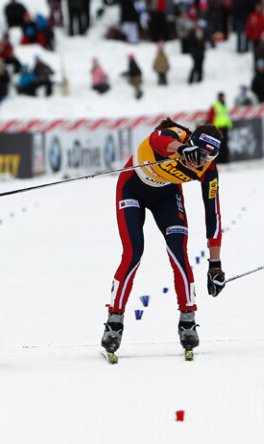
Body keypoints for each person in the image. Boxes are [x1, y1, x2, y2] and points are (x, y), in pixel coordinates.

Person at [101, 118, 225, 358]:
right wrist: (181, 149)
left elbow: (213, 215)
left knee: (178, 251)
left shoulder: (208, 170)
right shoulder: (175, 135)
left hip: (166, 195)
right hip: (132, 189)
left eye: (210, 157)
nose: (203, 162)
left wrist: (215, 265)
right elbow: (157, 139)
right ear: (191, 144)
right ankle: (114, 321)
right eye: (200, 155)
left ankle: (188, 321)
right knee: (133, 253)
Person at [207, 92, 232, 163]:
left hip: (225, 127)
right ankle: (219, 160)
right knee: (218, 145)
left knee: (224, 144)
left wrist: (228, 125)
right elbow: (211, 117)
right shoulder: (215, 106)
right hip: (218, 128)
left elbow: (226, 116)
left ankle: (225, 159)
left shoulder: (225, 106)